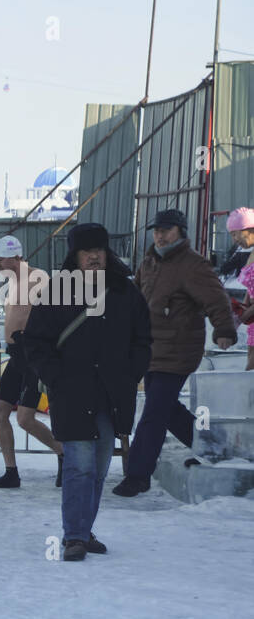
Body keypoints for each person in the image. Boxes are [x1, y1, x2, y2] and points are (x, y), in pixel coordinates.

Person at [23, 223, 151, 560]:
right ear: (75, 254)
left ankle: (83, 527)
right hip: (71, 392)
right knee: (79, 465)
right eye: (86, 250)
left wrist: (130, 374)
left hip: (112, 394)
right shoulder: (56, 291)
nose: (94, 255)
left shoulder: (125, 291)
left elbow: (142, 339)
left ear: (107, 252)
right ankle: (75, 536)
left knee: (99, 465)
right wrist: (55, 376)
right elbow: (35, 342)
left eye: (99, 249)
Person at [111, 209, 236, 496]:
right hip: (151, 349)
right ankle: (216, 448)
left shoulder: (194, 265)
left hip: (179, 350)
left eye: (166, 230)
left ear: (180, 231)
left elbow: (216, 299)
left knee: (153, 412)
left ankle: (138, 475)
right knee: (166, 410)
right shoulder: (150, 261)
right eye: (156, 229)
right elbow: (135, 296)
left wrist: (224, 330)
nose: (159, 234)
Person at [0, 235, 64, 488]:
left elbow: (55, 314)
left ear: (16, 257)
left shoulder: (38, 279)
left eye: (1, 257)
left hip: (33, 357)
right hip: (15, 355)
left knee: (25, 419)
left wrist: (38, 341)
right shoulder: (12, 282)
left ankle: (64, 453)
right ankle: (11, 472)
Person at [216, 207, 254, 371]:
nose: (234, 240)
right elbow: (251, 288)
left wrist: (241, 317)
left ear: (249, 229)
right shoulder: (251, 253)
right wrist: (244, 306)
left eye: (235, 233)